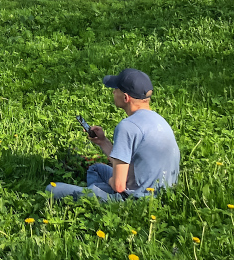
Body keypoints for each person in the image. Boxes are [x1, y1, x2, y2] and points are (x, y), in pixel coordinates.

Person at [47, 68, 180, 201]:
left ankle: (96, 200)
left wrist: (112, 181)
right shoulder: (159, 120)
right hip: (162, 194)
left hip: (136, 200)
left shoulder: (127, 126)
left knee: (51, 189)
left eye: (116, 89)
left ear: (125, 97)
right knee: (96, 169)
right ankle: (95, 197)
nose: (113, 92)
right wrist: (103, 142)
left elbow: (119, 186)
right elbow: (131, 163)